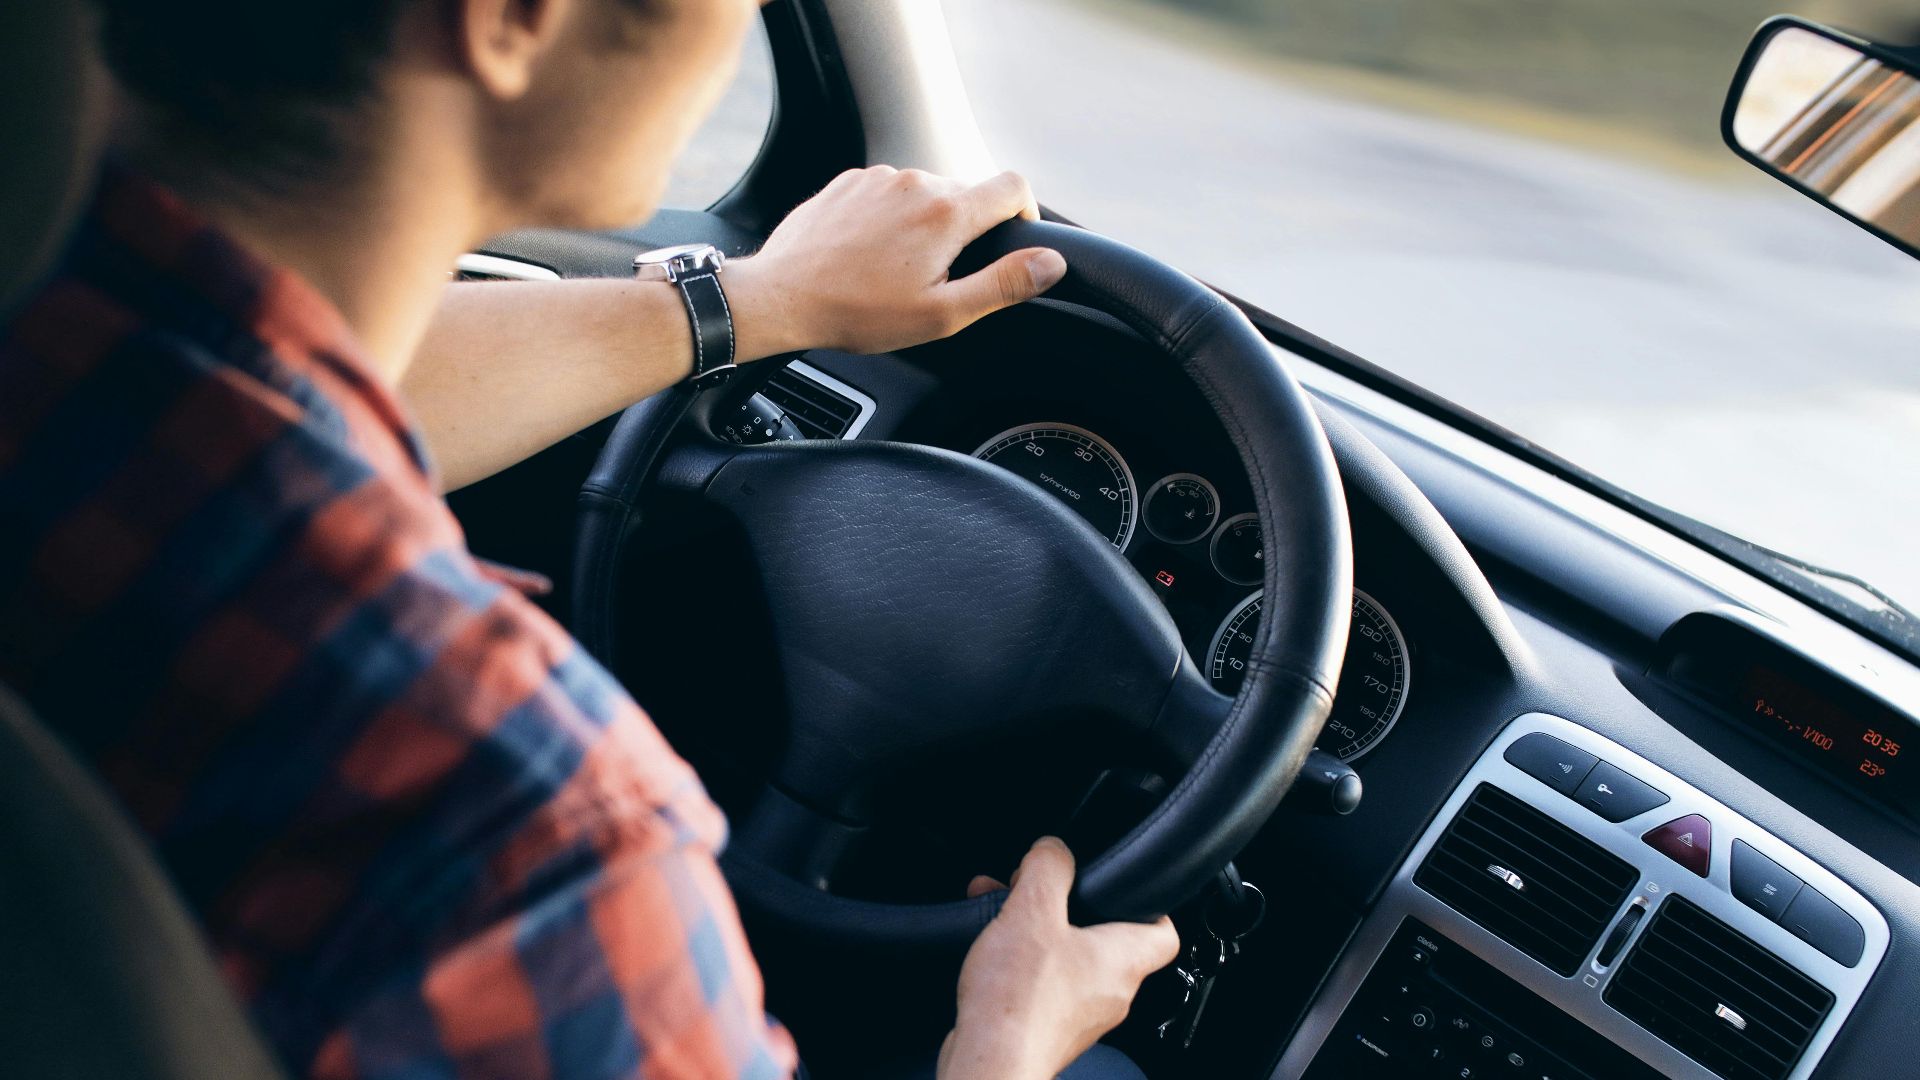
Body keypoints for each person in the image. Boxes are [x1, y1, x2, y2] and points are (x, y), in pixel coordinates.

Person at [0, 0, 1179, 1078]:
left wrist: (760, 300)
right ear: (513, 20)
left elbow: (306, 381)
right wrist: (1007, 1043)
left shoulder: (57, 327)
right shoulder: (527, 839)